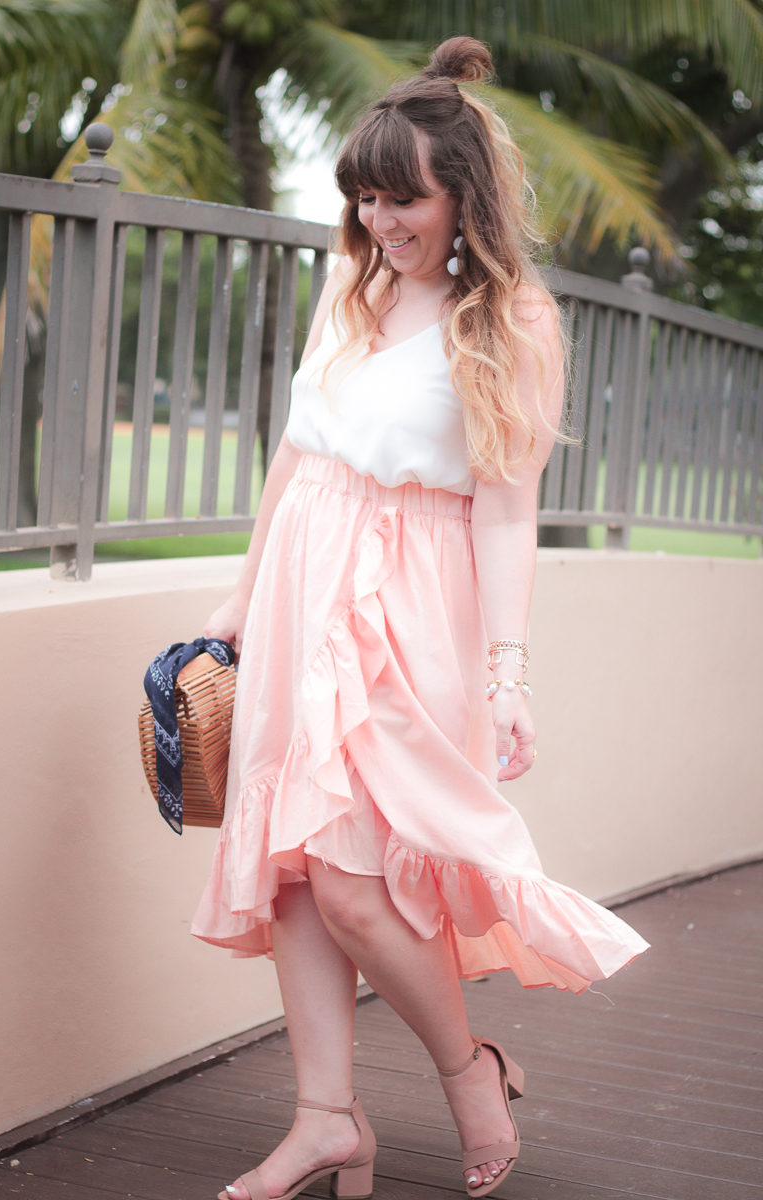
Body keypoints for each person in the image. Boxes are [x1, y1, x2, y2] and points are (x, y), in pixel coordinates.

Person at [193, 35, 649, 1200]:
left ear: (463, 197)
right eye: (363, 193)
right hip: (304, 586)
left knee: (355, 880)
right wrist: (241, 603)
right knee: (291, 870)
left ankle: (466, 1073)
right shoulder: (352, 290)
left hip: (408, 603)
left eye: (402, 196)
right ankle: (324, 1118)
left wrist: (506, 673)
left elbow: (504, 511)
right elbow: (294, 453)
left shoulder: (513, 324)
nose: (377, 217)